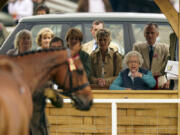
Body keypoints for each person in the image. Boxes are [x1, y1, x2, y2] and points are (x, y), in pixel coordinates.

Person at [133, 23, 169, 89]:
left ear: (157, 34)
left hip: (160, 84)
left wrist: (168, 80)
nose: (150, 35)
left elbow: (169, 65)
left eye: (152, 33)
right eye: (147, 33)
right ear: (144, 34)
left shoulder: (165, 48)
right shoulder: (138, 47)